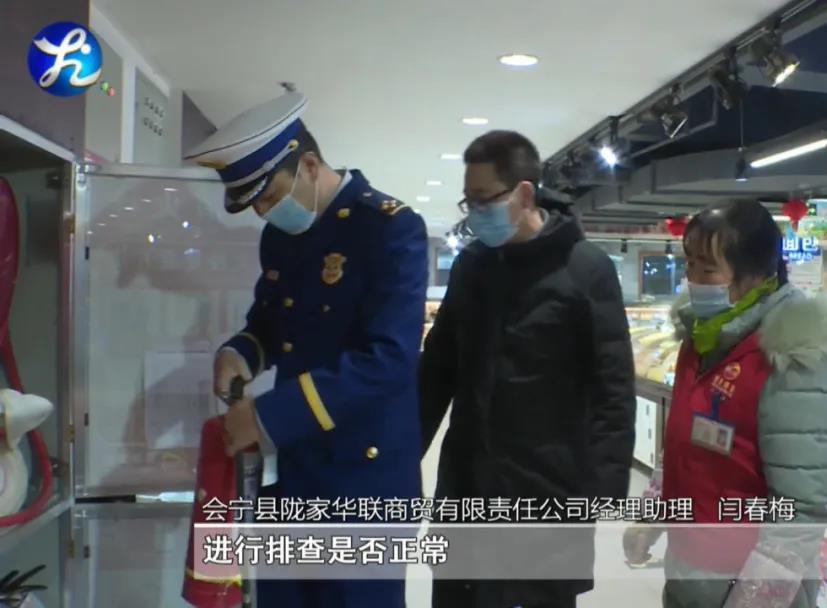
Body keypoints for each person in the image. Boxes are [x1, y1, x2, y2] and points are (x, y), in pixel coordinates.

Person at [184, 91, 428, 607]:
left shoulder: (389, 228)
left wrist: (266, 416)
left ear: (310, 166)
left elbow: (388, 359)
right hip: (298, 473)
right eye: (255, 205)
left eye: (270, 196)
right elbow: (271, 323)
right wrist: (241, 353)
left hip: (366, 485)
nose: (265, 212)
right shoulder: (281, 238)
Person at [419, 130, 636, 608]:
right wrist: (399, 454)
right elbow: (435, 372)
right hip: (467, 486)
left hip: (547, 492)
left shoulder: (586, 269)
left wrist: (602, 493)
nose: (475, 213)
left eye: (483, 199)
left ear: (522, 193)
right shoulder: (472, 267)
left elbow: (613, 389)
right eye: (469, 201)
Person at [623, 203, 827, 608]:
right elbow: (684, 442)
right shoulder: (701, 338)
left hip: (748, 587)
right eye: (690, 264)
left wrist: (752, 600)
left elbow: (800, 512)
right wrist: (655, 512)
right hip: (689, 575)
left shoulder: (794, 361)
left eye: (708, 269)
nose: (693, 280)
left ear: (757, 275)